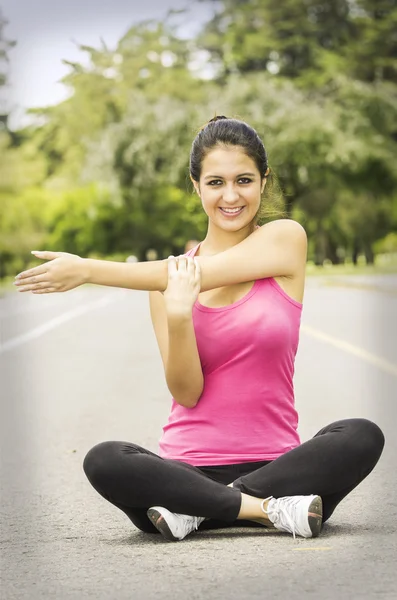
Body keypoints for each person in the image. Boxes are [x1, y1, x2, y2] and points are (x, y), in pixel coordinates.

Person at [14, 116, 384, 542]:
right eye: (215, 182)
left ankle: (198, 512)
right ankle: (269, 512)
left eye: (244, 180)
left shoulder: (286, 239)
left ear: (264, 181)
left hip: (282, 469)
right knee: (104, 460)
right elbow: (187, 392)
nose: (231, 196)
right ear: (196, 185)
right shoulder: (162, 286)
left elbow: (202, 272)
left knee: (360, 435)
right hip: (186, 471)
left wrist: (88, 269)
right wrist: (177, 317)